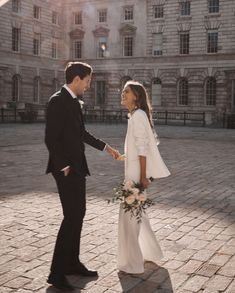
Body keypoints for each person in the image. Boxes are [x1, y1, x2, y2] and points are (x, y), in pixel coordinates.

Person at [45, 61, 120, 290]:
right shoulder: (57, 101)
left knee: (79, 215)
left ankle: (72, 263)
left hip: (78, 168)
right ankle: (56, 273)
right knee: (71, 217)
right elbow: (51, 139)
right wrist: (64, 166)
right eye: (87, 82)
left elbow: (81, 133)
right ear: (77, 79)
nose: (88, 86)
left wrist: (106, 147)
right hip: (66, 170)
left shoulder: (74, 103)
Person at [118, 80, 170, 274]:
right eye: (123, 91)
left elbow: (143, 148)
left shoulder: (138, 116)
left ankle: (132, 262)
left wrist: (142, 178)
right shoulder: (134, 116)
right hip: (132, 170)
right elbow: (137, 147)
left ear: (136, 96)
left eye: (126, 91)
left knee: (129, 218)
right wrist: (124, 155)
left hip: (135, 175)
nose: (123, 94)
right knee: (137, 215)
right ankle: (149, 252)